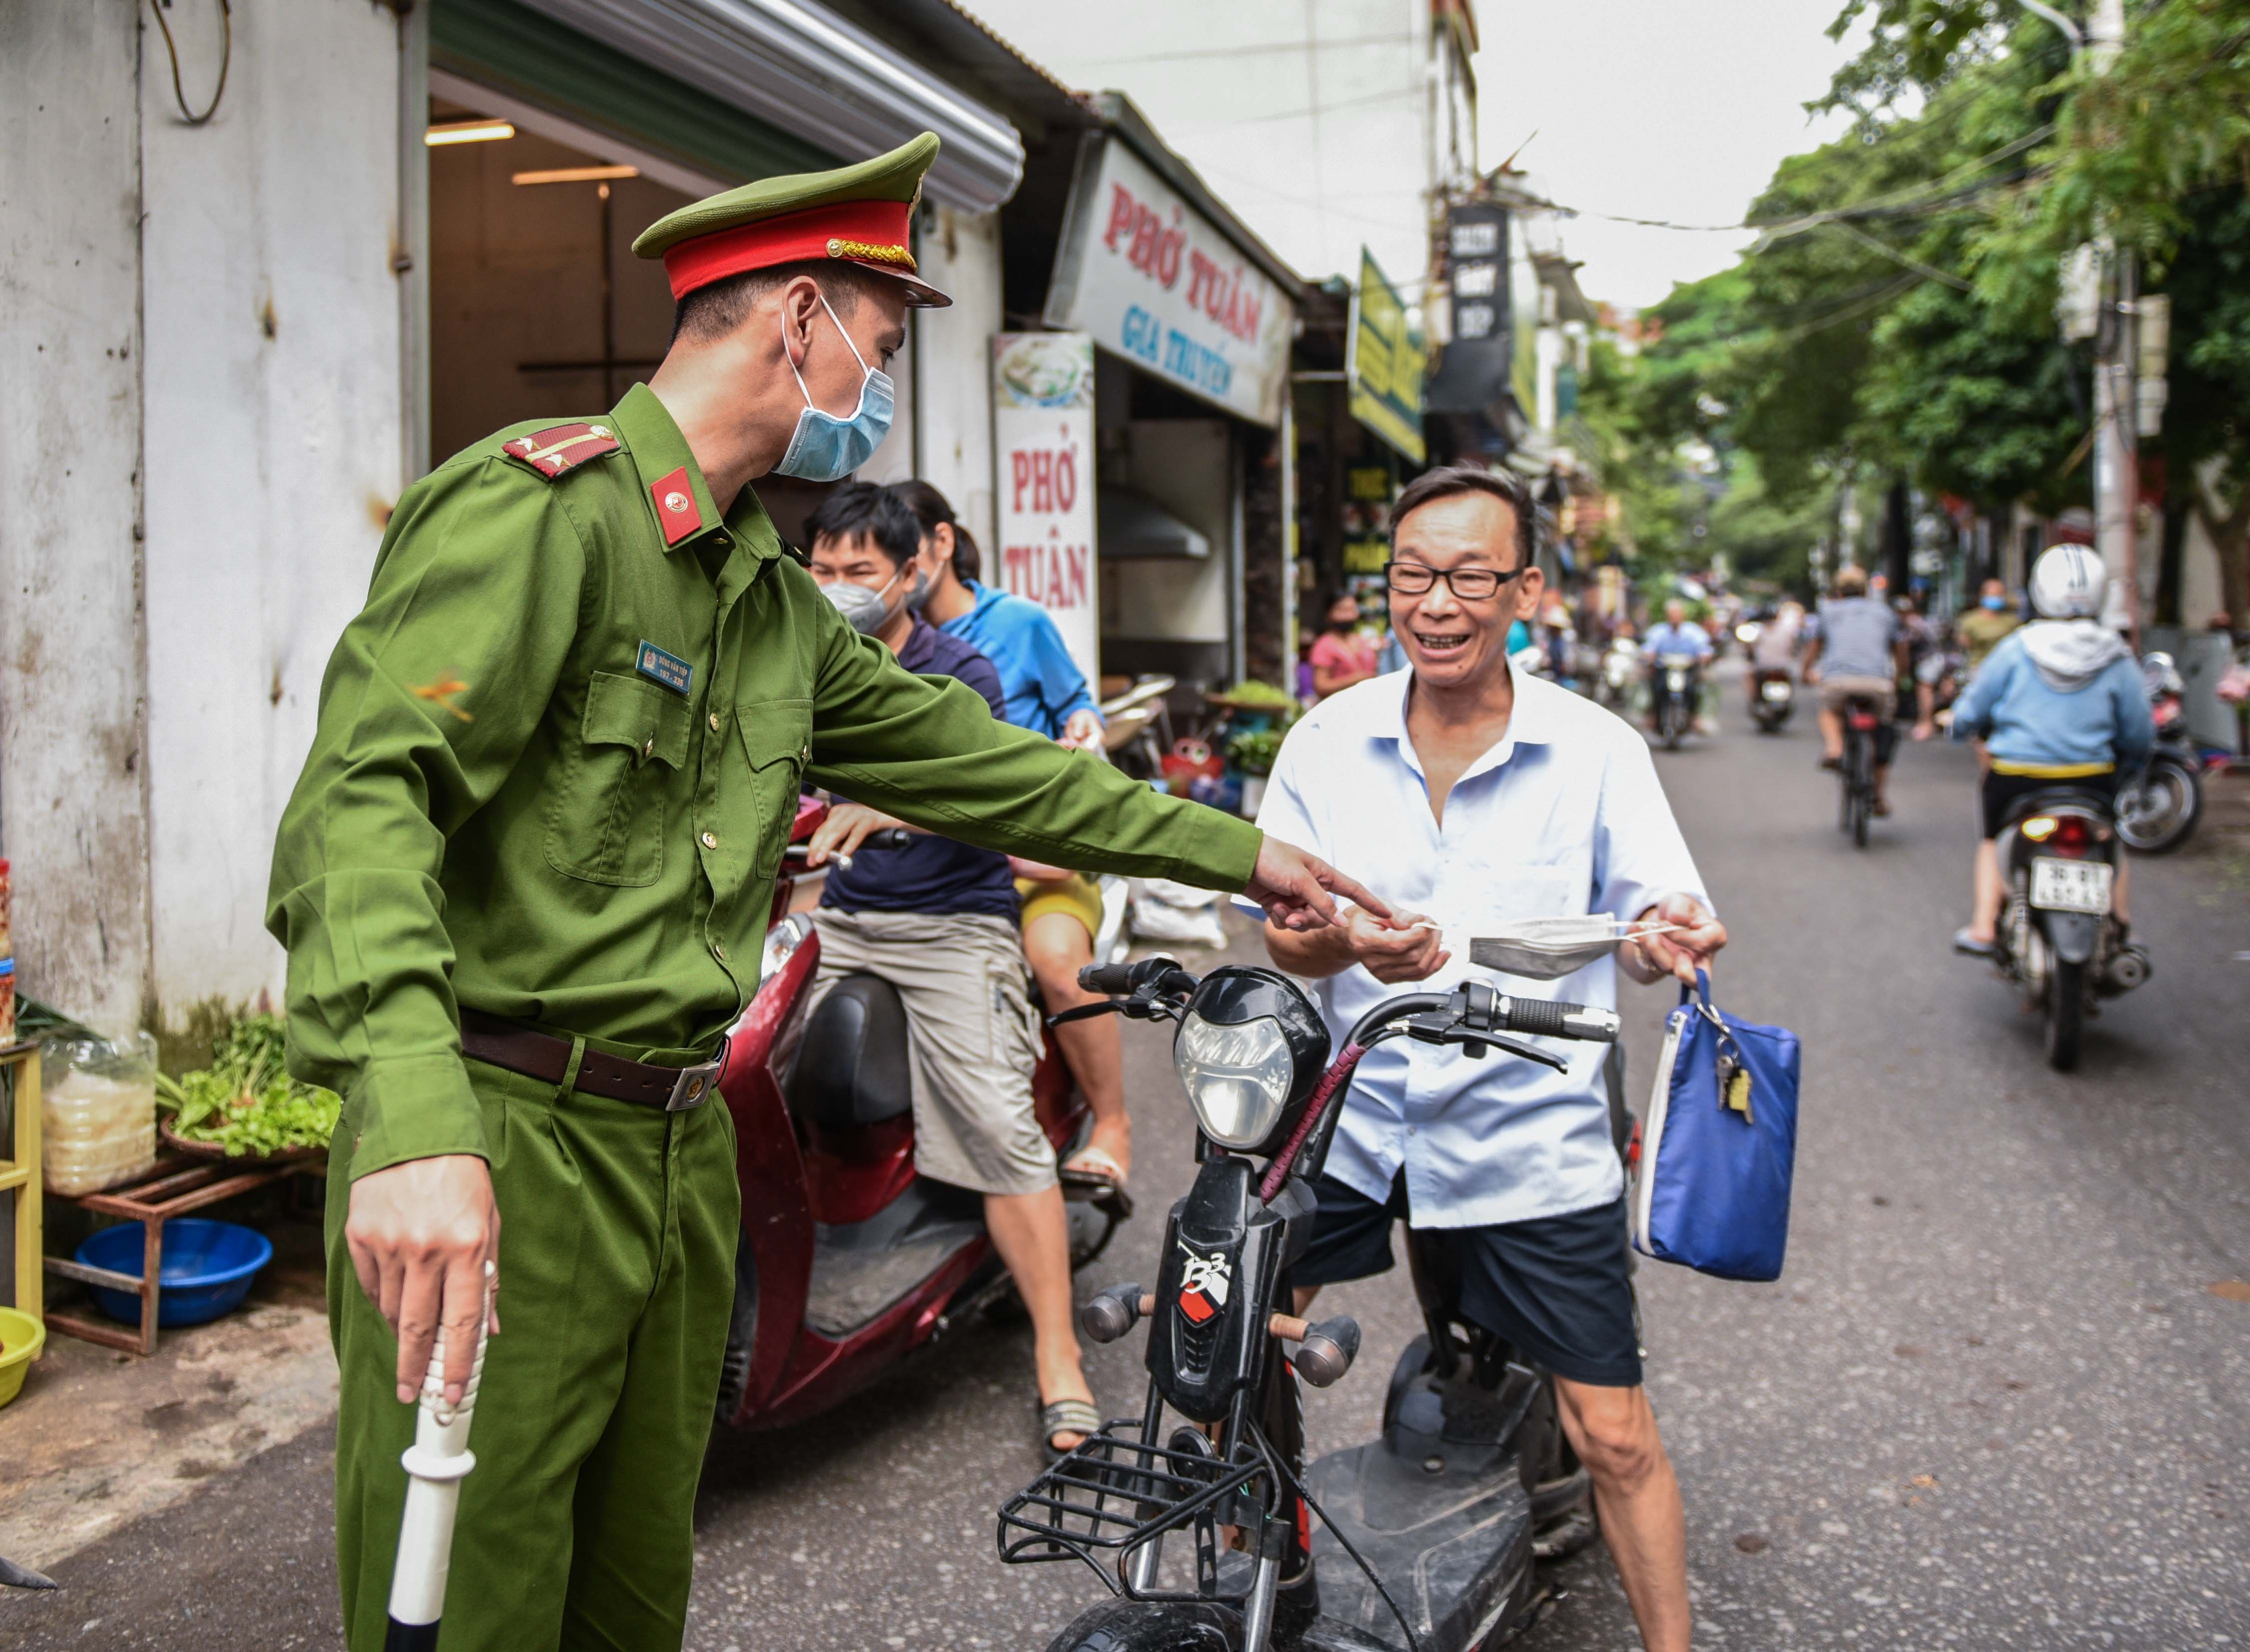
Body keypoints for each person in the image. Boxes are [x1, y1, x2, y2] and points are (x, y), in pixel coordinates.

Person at [266, 133, 1380, 1652]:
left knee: (629, 1593)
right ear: (802, 322)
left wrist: (1251, 855)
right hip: (507, 1138)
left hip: (682, 1153)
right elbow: (360, 799)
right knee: (470, 1602)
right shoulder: (544, 514)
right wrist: (405, 1117)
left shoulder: (772, 605)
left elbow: (993, 771)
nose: (883, 379)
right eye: (886, 338)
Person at [1254, 465, 1725, 1652]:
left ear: (1523, 587)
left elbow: (1659, 915)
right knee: (1233, 1357)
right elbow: (1283, 935)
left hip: (1531, 1139)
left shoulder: (1596, 748)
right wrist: (1338, 940)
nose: (1437, 602)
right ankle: (1264, 1585)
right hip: (1359, 1121)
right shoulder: (1325, 737)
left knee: (1615, 1433)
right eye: (1413, 575)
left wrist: (1671, 938)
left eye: (1470, 575)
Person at [789, 483, 1099, 1458]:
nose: (838, 588)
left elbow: (987, 798)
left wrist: (888, 808)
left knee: (1000, 1132)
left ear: (912, 572)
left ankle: (1059, 1355)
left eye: (859, 572)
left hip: (951, 927)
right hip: (836, 922)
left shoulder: (957, 672)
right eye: (823, 570)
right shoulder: (794, 667)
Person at [898, 478, 1133, 1202]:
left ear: (940, 543)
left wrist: (1083, 730)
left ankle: (1114, 1124)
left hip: (1035, 855)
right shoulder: (885, 640)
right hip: (933, 858)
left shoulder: (1019, 623)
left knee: (1058, 965)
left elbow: (1077, 703)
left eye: (891, 552)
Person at [1949, 544, 2154, 956]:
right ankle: (2122, 927)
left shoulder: (2017, 647)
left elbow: (1972, 708)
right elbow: (2138, 730)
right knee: (2109, 842)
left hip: (2015, 778)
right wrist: (2132, 764)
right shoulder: (2115, 654)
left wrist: (1959, 727)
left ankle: (1984, 924)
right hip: (2091, 780)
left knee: (1991, 840)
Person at [1803, 566, 1909, 815]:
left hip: (1838, 681)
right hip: (1878, 683)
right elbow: (1900, 651)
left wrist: (1805, 672)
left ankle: (1834, 748)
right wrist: (1899, 679)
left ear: (1838, 590)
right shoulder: (1885, 613)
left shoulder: (1828, 612)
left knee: (1829, 711)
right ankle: (1879, 796)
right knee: (1883, 731)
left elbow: (1814, 647)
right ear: (1866, 590)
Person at [1641, 598, 1714, 734]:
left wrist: (1704, 656)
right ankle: (1654, 715)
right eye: (1672, 615)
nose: (1674, 618)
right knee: (1656, 687)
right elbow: (1649, 648)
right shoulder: (1658, 631)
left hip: (1686, 669)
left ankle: (1694, 716)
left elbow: (1704, 648)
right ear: (1667, 616)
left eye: (1677, 615)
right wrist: (1649, 656)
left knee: (1695, 689)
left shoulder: (1693, 631)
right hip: (1665, 669)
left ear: (1682, 616)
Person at [1309, 590, 1380, 700]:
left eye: (1352, 609)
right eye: (1342, 610)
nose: (1348, 615)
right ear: (1330, 613)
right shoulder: (1324, 646)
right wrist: (1356, 679)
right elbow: (1320, 686)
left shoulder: (1362, 641)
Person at [1746, 597, 1806, 711]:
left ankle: (1754, 699)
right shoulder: (1787, 629)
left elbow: (1750, 647)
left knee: (1749, 675)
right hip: (1782, 667)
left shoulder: (1759, 629)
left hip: (1767, 667)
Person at [1956, 578, 2023, 675]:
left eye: (2000, 595)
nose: (1997, 598)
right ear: (1983, 595)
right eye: (1993, 595)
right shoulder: (1969, 621)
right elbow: (1965, 644)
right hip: (1978, 669)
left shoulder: (2012, 621)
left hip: (2005, 670)